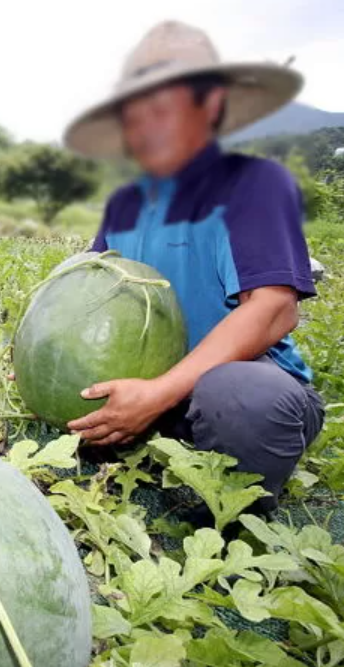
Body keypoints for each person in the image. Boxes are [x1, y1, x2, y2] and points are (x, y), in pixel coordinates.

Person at [61, 21, 324, 515]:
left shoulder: (253, 184)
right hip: (153, 385)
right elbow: (82, 289)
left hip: (240, 387)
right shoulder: (125, 203)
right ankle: (153, 438)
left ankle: (220, 512)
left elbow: (273, 309)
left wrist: (160, 393)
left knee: (245, 398)